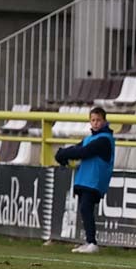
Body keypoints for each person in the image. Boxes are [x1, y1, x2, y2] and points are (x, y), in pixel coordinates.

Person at [55, 107, 116, 254]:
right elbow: (77, 148)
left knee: (85, 208)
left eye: (98, 120)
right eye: (93, 120)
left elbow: (84, 152)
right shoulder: (90, 138)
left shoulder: (104, 140)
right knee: (84, 208)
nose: (95, 123)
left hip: (95, 180)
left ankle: (92, 243)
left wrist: (62, 153)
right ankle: (89, 241)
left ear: (105, 121)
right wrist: (63, 155)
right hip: (85, 179)